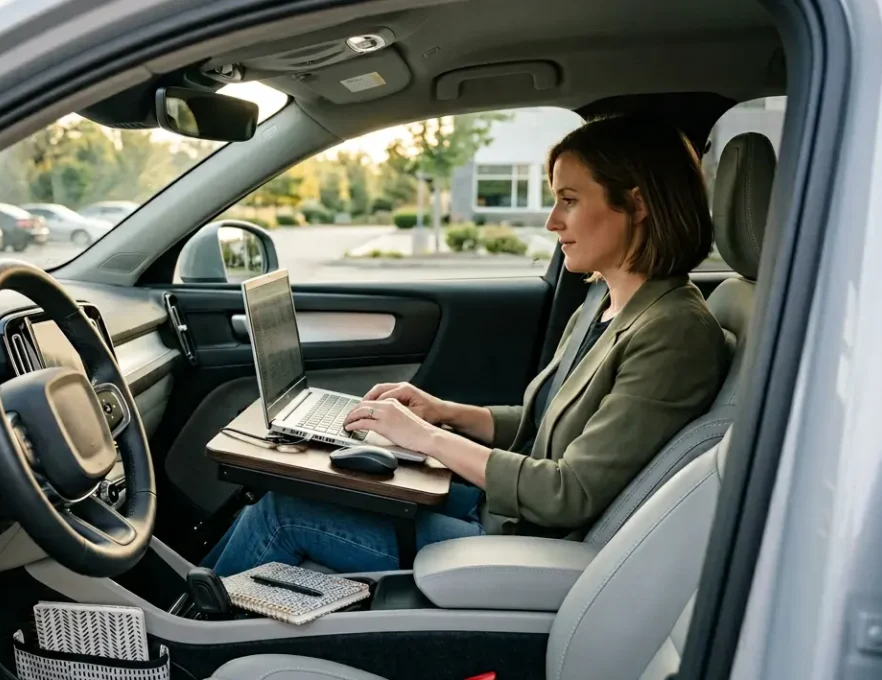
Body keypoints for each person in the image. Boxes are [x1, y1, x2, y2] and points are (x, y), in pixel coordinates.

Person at [203, 114, 731, 576]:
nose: (552, 221)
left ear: (636, 204)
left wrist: (425, 438)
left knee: (282, 515)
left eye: (569, 201)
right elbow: (543, 425)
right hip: (504, 512)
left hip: (529, 547)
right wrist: (442, 413)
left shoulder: (674, 333)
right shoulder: (606, 303)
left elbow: (567, 493)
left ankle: (187, 639)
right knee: (291, 488)